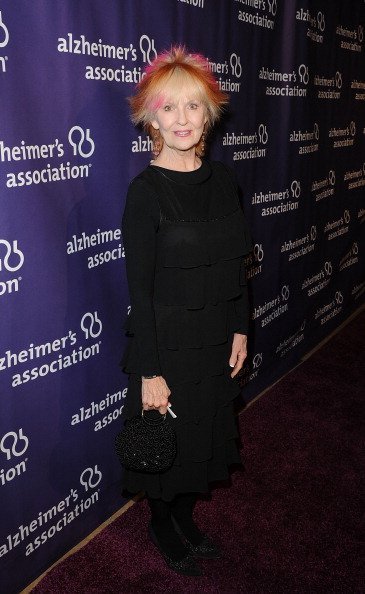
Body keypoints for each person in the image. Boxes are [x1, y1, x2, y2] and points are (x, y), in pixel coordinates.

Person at [120, 45, 253, 576]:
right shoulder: (144, 193)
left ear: (209, 113)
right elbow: (141, 290)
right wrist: (150, 370)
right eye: (168, 107)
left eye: (193, 106)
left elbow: (236, 262)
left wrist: (241, 328)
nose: (182, 119)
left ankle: (184, 516)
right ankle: (161, 521)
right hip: (169, 345)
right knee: (169, 443)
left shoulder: (224, 181)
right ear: (151, 117)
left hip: (217, 337)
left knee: (203, 433)